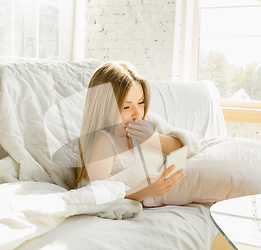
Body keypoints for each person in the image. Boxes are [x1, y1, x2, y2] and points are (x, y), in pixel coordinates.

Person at [75, 61, 186, 202]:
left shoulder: (146, 120)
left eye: (141, 102)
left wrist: (150, 138)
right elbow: (94, 198)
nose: (137, 113)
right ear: (103, 109)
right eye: (126, 107)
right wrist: (144, 192)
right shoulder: (104, 141)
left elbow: (183, 146)